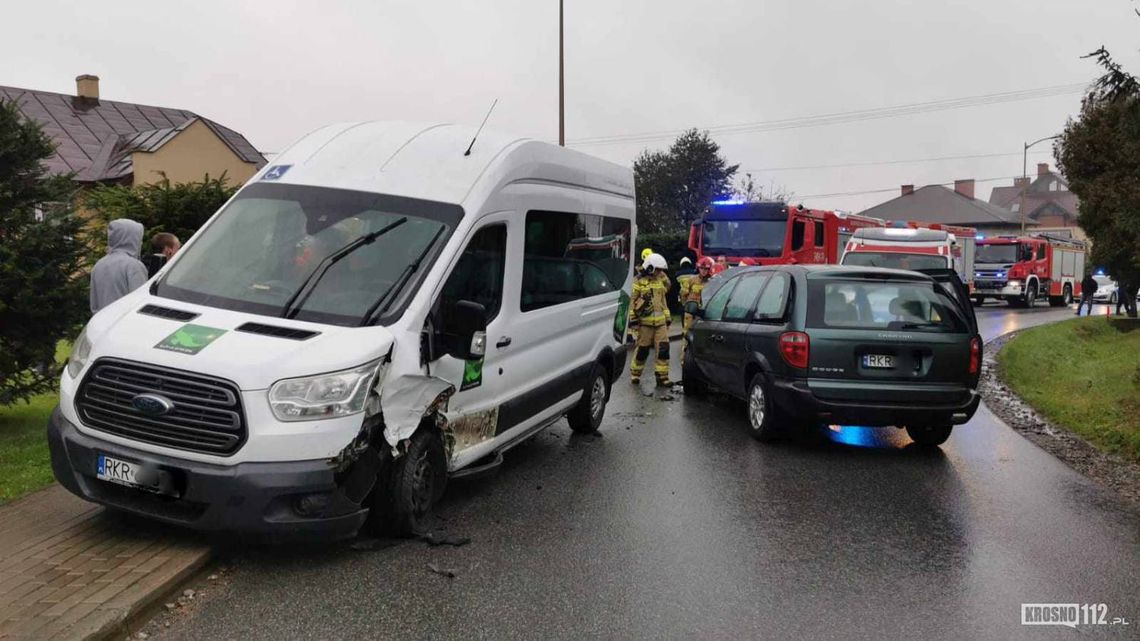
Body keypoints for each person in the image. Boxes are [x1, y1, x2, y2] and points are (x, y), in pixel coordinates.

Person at [629, 253, 673, 399]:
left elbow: (663, 301)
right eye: (658, 269)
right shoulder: (638, 281)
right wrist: (633, 321)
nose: (660, 272)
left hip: (660, 323)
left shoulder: (659, 280)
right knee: (642, 350)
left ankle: (662, 377)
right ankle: (635, 374)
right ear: (649, 267)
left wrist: (667, 318)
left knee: (663, 349)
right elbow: (632, 302)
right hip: (645, 324)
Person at [90, 219, 148, 314]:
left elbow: (94, 304)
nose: (140, 243)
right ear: (131, 240)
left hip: (102, 323)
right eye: (139, 239)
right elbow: (140, 303)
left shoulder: (99, 265)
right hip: (125, 325)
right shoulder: (133, 266)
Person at [678, 256, 714, 366]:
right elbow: (683, 294)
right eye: (702, 268)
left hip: (703, 314)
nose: (703, 271)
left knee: (703, 337)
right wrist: (687, 307)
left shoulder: (712, 281)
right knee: (687, 335)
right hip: (690, 313)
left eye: (706, 269)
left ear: (709, 269)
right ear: (698, 268)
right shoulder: (691, 280)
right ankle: (684, 359)